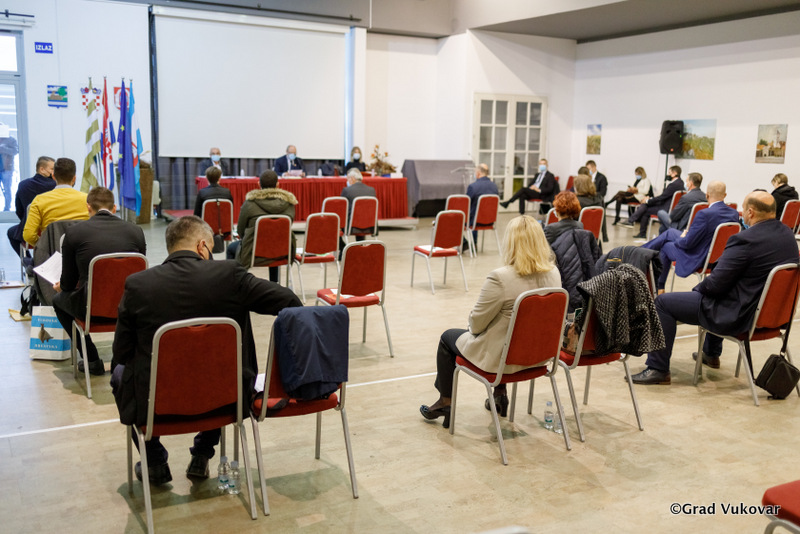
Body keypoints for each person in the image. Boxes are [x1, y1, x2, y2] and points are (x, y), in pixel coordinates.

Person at [111, 216, 302, 485]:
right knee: (219, 371)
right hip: (225, 398)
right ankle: (202, 452)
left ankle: (154, 461)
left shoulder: (138, 285)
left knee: (119, 374)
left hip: (157, 403)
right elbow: (289, 302)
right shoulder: (229, 276)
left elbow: (121, 352)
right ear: (202, 247)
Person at [631, 191, 799, 385]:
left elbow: (715, 285)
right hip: (771, 315)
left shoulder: (745, 240)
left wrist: (697, 289)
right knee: (724, 291)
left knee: (663, 302)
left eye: (744, 209)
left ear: (751, 212)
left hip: (739, 314)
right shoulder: (788, 235)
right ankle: (711, 354)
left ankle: (657, 369)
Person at [419, 215, 561, 427]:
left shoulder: (501, 277)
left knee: (448, 338)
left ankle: (446, 401)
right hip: (540, 357)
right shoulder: (554, 273)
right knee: (505, 332)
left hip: (503, 362)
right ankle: (499, 394)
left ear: (511, 243)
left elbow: (477, 324)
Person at [52, 187, 146, 376]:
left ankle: (92, 359)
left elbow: (68, 284)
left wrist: (60, 287)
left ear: (88, 207)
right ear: (114, 208)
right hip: (127, 307)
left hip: (90, 309)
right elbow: (139, 276)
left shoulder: (74, 233)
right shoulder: (136, 231)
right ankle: (120, 360)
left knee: (57, 301)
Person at [641, 181, 739, 292]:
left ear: (707, 195)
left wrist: (682, 238)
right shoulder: (733, 213)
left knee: (666, 246)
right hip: (717, 257)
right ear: (725, 195)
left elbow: (687, 244)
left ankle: (658, 284)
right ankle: (641, 252)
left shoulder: (704, 214)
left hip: (699, 257)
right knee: (670, 232)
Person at [226, 170, 298, 282]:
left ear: (259, 184)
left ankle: (234, 284)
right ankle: (274, 283)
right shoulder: (289, 204)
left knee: (231, 248)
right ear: (278, 185)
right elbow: (283, 229)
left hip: (253, 253)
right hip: (282, 252)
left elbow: (241, 231)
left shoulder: (249, 204)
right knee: (274, 238)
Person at [23, 157, 89, 247]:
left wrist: (45, 246)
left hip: (51, 253)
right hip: (82, 252)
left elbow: (28, 235)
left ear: (53, 176)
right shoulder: (88, 200)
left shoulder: (39, 200)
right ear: (74, 178)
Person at [7, 156, 55, 256]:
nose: (54, 172)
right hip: (54, 231)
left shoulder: (23, 185)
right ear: (42, 169)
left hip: (31, 232)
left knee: (11, 232)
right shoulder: (56, 186)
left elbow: (19, 211)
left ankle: (28, 261)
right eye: (52, 169)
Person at [621, 165, 684, 238]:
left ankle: (637, 227)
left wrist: (648, 200)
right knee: (644, 205)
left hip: (665, 208)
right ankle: (631, 221)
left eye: (669, 172)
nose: (668, 174)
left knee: (645, 209)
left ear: (675, 173)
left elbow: (662, 197)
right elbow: (664, 197)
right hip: (668, 205)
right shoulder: (680, 183)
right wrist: (649, 199)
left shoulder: (673, 185)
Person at [466, 163, 499, 245]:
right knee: (476, 212)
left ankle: (466, 244)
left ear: (478, 173)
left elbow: (466, 204)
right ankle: (472, 244)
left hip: (474, 222)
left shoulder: (473, 187)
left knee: (457, 219)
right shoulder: (494, 186)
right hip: (490, 221)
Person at [341, 168, 377, 243]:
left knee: (334, 225)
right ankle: (360, 245)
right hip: (370, 227)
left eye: (348, 179)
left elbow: (341, 209)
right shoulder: (371, 190)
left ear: (352, 178)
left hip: (351, 227)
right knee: (361, 215)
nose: (347, 181)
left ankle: (343, 248)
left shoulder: (347, 190)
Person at [0, 123, 19, 211]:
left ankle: (7, 208)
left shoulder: (11, 140)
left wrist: (3, 149)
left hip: (6, 168)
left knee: (7, 189)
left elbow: (15, 151)